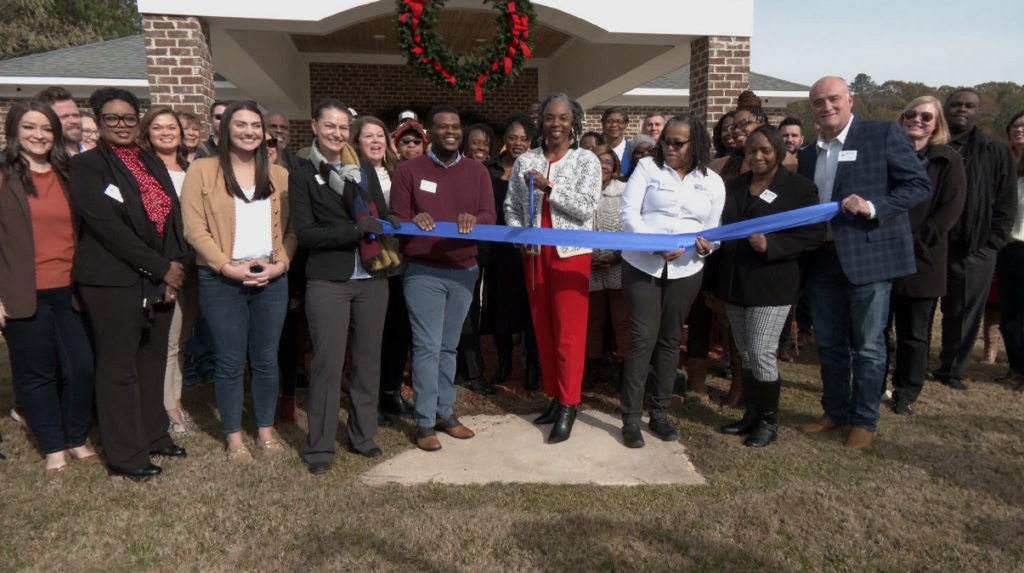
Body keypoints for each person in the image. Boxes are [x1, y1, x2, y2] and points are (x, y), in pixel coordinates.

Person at [796, 76, 931, 450]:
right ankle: (835, 411)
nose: (827, 107)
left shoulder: (881, 134)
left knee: (869, 346)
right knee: (829, 342)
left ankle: (865, 421)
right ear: (812, 108)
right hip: (821, 260)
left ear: (850, 100)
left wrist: (872, 207)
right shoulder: (807, 154)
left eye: (834, 99)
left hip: (868, 258)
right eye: (819, 102)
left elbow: (918, 186)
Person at [70, 88, 190, 480]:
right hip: (112, 279)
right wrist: (160, 267)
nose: (122, 125)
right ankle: (126, 455)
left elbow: (172, 217)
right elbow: (107, 227)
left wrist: (174, 267)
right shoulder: (89, 167)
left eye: (128, 117)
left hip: (160, 276)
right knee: (119, 367)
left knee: (152, 361)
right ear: (99, 121)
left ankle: (155, 435)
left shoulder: (150, 162)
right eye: (112, 118)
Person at [180, 101, 296, 463]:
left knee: (265, 359)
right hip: (222, 280)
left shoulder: (278, 175)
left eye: (256, 126)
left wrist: (282, 264)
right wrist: (224, 267)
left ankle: (264, 429)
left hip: (271, 279)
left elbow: (292, 229)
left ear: (265, 133)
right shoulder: (202, 170)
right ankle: (233, 436)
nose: (249, 131)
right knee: (230, 362)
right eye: (241, 124)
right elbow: (193, 228)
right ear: (225, 129)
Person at [290, 101, 400, 474]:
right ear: (315, 126)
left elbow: (382, 215)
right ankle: (319, 447)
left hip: (372, 278)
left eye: (343, 127)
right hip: (329, 280)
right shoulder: (302, 172)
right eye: (330, 126)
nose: (337, 134)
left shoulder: (364, 166)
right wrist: (355, 231)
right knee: (327, 363)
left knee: (369, 361)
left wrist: (393, 226)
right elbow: (305, 234)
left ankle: (363, 435)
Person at [389, 105, 496, 452]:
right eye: (442, 127)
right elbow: (397, 217)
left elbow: (489, 216)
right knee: (426, 346)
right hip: (424, 271)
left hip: (465, 270)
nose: (450, 131)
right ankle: (423, 422)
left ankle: (444, 413)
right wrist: (413, 217)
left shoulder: (477, 172)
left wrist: (474, 220)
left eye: (455, 126)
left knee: (449, 346)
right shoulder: (410, 171)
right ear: (429, 133)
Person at [0, 101, 98, 475]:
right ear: (14, 131)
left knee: (82, 368)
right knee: (36, 373)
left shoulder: (67, 172)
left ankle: (75, 437)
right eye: (29, 127)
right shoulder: (4, 174)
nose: (38, 135)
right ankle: (53, 447)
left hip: (69, 291)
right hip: (23, 292)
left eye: (46, 128)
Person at [715, 125, 826, 447]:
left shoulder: (799, 189)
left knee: (762, 351)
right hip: (735, 283)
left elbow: (813, 234)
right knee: (746, 351)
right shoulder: (734, 187)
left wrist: (773, 245)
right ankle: (751, 414)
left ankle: (768, 422)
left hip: (772, 285)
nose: (758, 156)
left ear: (778, 151)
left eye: (765, 150)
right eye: (752, 150)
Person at [618, 113, 723, 448]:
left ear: (697, 145)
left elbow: (715, 231)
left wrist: (707, 247)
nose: (669, 148)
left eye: (678, 143)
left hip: (687, 269)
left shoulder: (712, 182)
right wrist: (655, 244)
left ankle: (660, 413)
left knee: (670, 339)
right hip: (642, 265)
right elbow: (628, 214)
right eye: (666, 141)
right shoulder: (648, 168)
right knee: (642, 339)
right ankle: (631, 418)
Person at [506, 93, 602, 444]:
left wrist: (550, 188)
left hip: (570, 253)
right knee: (543, 329)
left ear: (573, 122)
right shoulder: (525, 160)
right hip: (534, 254)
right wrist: (521, 236)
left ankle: (570, 404)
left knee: (569, 333)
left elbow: (587, 207)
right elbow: (511, 205)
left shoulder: (586, 160)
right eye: (550, 117)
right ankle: (555, 396)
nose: (556, 124)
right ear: (541, 122)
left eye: (563, 118)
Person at [886, 96, 967, 414]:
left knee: (915, 333)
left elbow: (948, 212)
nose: (917, 119)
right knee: (876, 330)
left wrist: (911, 243)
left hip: (923, 259)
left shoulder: (948, 161)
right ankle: (874, 384)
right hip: (880, 256)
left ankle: (906, 392)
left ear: (937, 125)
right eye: (911, 113)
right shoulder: (885, 155)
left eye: (926, 116)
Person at [933, 89, 1018, 391]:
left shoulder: (994, 151)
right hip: (931, 243)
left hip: (976, 245)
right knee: (922, 306)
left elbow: (1007, 201)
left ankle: (952, 369)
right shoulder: (933, 145)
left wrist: (993, 241)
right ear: (946, 109)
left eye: (970, 106)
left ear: (979, 112)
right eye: (956, 105)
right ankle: (911, 362)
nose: (962, 110)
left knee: (964, 311)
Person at [138, 106, 196, 435]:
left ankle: (175, 397)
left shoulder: (191, 168)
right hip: (163, 264)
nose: (165, 132)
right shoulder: (143, 170)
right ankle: (166, 406)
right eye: (158, 127)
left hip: (194, 262)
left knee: (184, 336)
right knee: (168, 339)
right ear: (147, 132)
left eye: (171, 127)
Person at [354, 117, 415, 419]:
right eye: (368, 136)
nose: (376, 141)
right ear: (357, 141)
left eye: (380, 135)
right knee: (370, 333)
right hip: (367, 262)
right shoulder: (351, 174)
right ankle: (369, 397)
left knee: (398, 329)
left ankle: (391, 392)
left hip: (399, 261)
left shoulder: (402, 172)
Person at [482, 115, 540, 390]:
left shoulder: (536, 172)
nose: (517, 143)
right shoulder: (488, 170)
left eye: (524, 138)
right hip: (497, 252)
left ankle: (532, 369)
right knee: (499, 310)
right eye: (512, 137)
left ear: (531, 142)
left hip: (528, 252)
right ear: (504, 139)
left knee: (530, 311)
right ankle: (504, 365)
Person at [583, 145, 630, 388]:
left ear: (615, 168)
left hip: (619, 267)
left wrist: (616, 256)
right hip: (589, 266)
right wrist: (588, 257)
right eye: (597, 161)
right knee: (593, 322)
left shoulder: (625, 191)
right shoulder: (580, 191)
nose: (603, 165)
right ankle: (592, 369)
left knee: (622, 321)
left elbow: (631, 226)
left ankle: (624, 372)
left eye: (608, 162)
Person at [454, 124, 496, 395]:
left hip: (480, 249)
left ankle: (470, 371)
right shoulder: (456, 171)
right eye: (475, 143)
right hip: (454, 249)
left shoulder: (488, 172)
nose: (481, 148)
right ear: (465, 145)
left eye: (485, 143)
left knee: (471, 311)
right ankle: (467, 372)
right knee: (461, 313)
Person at [997, 111, 1024, 390]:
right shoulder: (1008, 164)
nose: (1019, 129)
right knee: (1009, 313)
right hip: (1008, 247)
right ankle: (1016, 368)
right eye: (1015, 125)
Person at [34, 86, 84, 155]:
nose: (73, 121)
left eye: (76, 115)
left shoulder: (94, 155)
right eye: (64, 117)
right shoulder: (43, 161)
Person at [601, 108, 632, 176]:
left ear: (625, 125)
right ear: (603, 124)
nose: (614, 125)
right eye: (609, 121)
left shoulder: (632, 150)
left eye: (619, 122)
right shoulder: (597, 150)